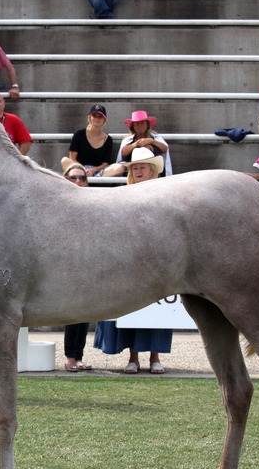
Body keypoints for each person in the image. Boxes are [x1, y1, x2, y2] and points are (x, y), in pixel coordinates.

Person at [93, 147, 173, 374]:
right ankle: (133, 357)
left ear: (152, 170)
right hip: (129, 259)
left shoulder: (165, 193)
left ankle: (155, 357)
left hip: (157, 259)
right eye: (135, 168)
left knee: (157, 311)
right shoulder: (122, 193)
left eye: (142, 167)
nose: (138, 171)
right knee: (130, 310)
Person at [59, 158, 94, 372]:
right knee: (73, 312)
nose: (79, 181)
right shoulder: (60, 203)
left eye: (82, 178)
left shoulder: (92, 203)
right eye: (74, 178)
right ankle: (70, 357)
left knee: (85, 312)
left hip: (89, 262)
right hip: (67, 263)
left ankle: (79, 356)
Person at [117, 110, 172, 176]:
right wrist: (138, 144)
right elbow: (124, 152)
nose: (140, 125)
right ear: (133, 126)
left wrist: (151, 141)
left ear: (147, 125)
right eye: (137, 123)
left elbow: (165, 149)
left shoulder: (155, 138)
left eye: (143, 123)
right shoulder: (128, 140)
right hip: (133, 174)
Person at [68, 103, 118, 176]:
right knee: (64, 160)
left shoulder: (108, 139)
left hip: (99, 172)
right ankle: (81, 178)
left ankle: (96, 179)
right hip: (79, 170)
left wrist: (93, 170)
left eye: (100, 116)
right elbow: (72, 159)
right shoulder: (79, 134)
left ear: (104, 120)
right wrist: (84, 170)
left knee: (119, 168)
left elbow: (105, 164)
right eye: (94, 116)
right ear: (90, 117)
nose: (97, 119)